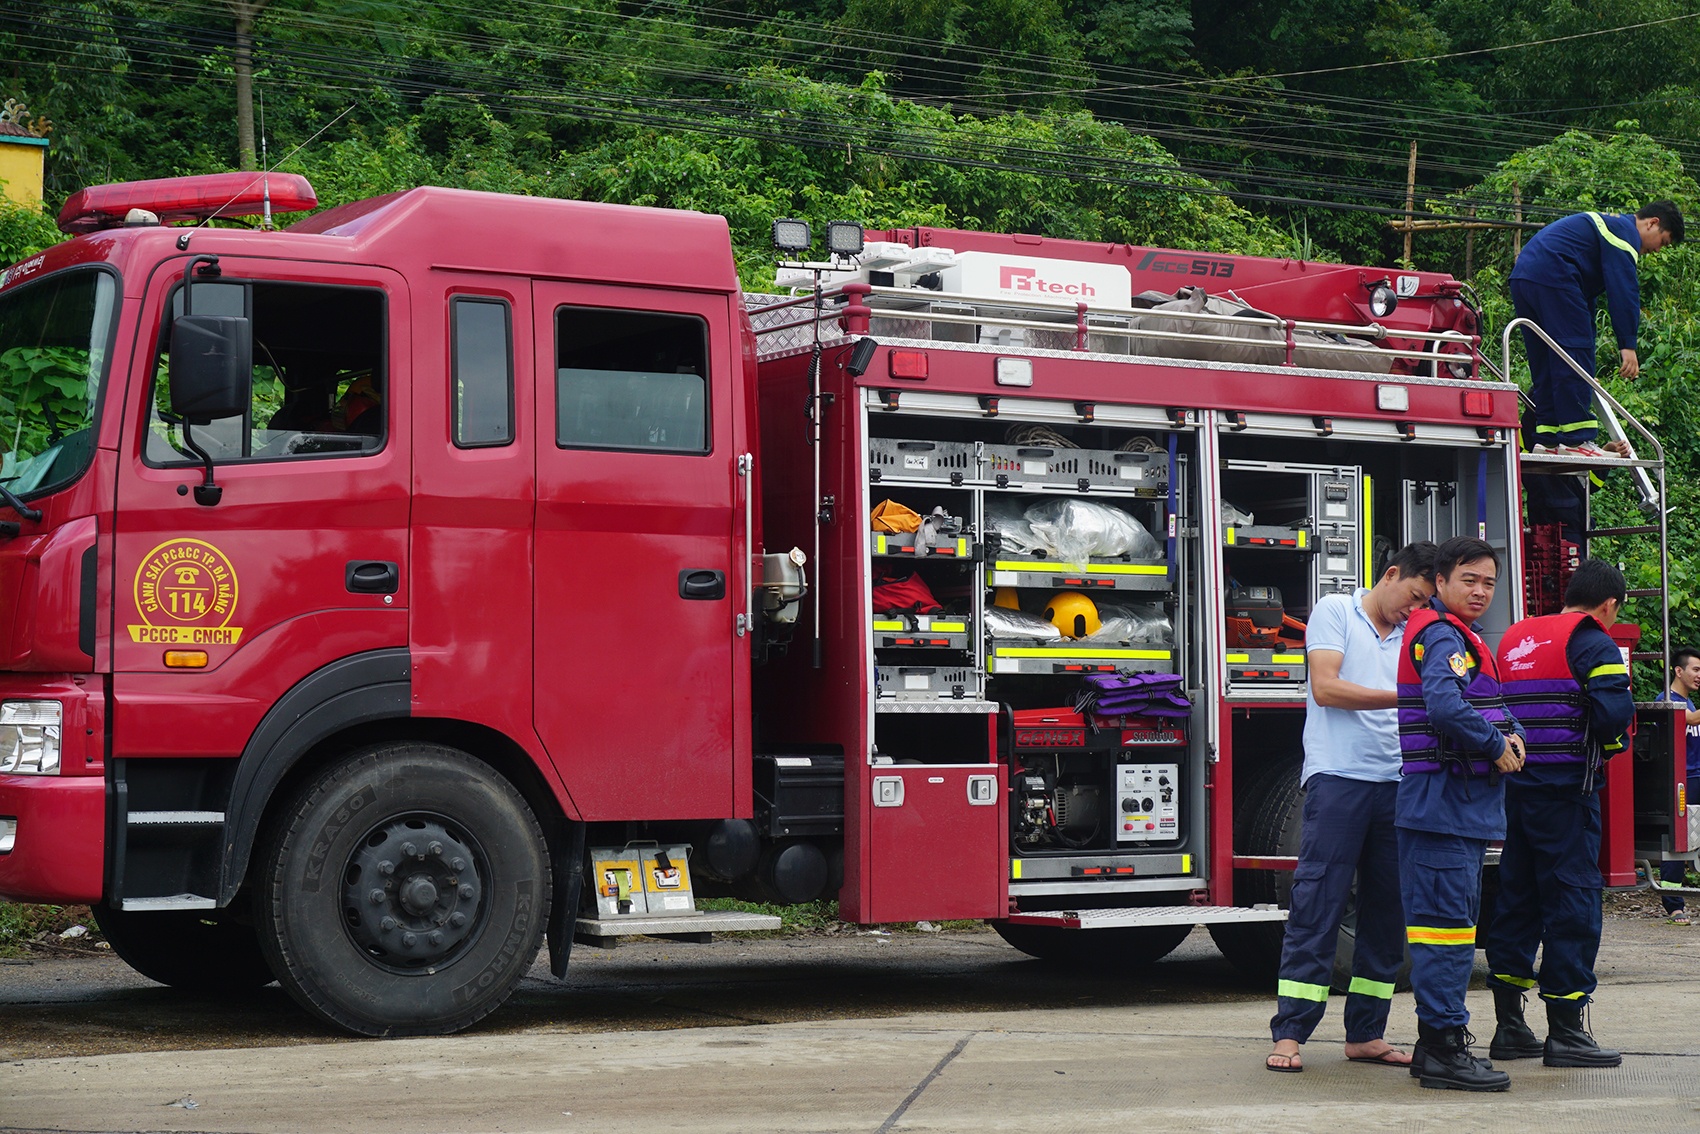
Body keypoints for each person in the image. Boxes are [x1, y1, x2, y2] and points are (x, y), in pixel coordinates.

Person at [1265, 542, 1439, 1074]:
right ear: (1391, 575)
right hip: (1339, 778)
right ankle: (1291, 1033)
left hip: (1397, 783)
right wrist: (1406, 697)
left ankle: (1366, 1034)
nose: (1415, 609)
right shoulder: (1336, 610)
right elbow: (1326, 688)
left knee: (1388, 914)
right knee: (1318, 902)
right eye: (1413, 596)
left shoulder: (1418, 634)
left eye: (1426, 603)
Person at [1484, 558, 1634, 1069]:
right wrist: (1608, 747)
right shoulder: (1593, 641)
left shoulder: (1516, 636)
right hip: (1568, 794)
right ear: (1609, 604)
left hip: (1514, 793)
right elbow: (1615, 716)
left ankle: (1509, 1028)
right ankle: (1566, 1032)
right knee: (1572, 904)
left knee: (1516, 903)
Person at [1394, 536, 1525, 1091]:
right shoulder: (1442, 633)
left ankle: (1436, 1050)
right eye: (1468, 579)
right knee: (1445, 936)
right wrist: (1498, 745)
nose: (1480, 591)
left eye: (1489, 583)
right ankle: (1444, 1048)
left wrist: (1512, 733)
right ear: (1440, 581)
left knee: (1451, 931)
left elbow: (1481, 703)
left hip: (1459, 811)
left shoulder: (1462, 638)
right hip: (1441, 809)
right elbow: (1445, 707)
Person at [1510, 201, 1683, 458]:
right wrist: (1628, 346)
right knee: (1575, 355)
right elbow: (1624, 291)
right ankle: (1576, 440)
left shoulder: (1603, 226)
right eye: (1664, 241)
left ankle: (1546, 439)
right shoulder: (1623, 233)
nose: (1658, 250)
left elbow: (1585, 300)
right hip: (1555, 275)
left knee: (1548, 362)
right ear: (1652, 223)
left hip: (1525, 277)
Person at [1655, 648, 1700, 926]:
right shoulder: (1667, 702)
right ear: (1678, 671)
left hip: (1697, 777)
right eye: (1695, 670)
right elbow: (1690, 721)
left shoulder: (1691, 703)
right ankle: (1673, 904)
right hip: (1680, 781)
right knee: (1676, 845)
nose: (1699, 675)